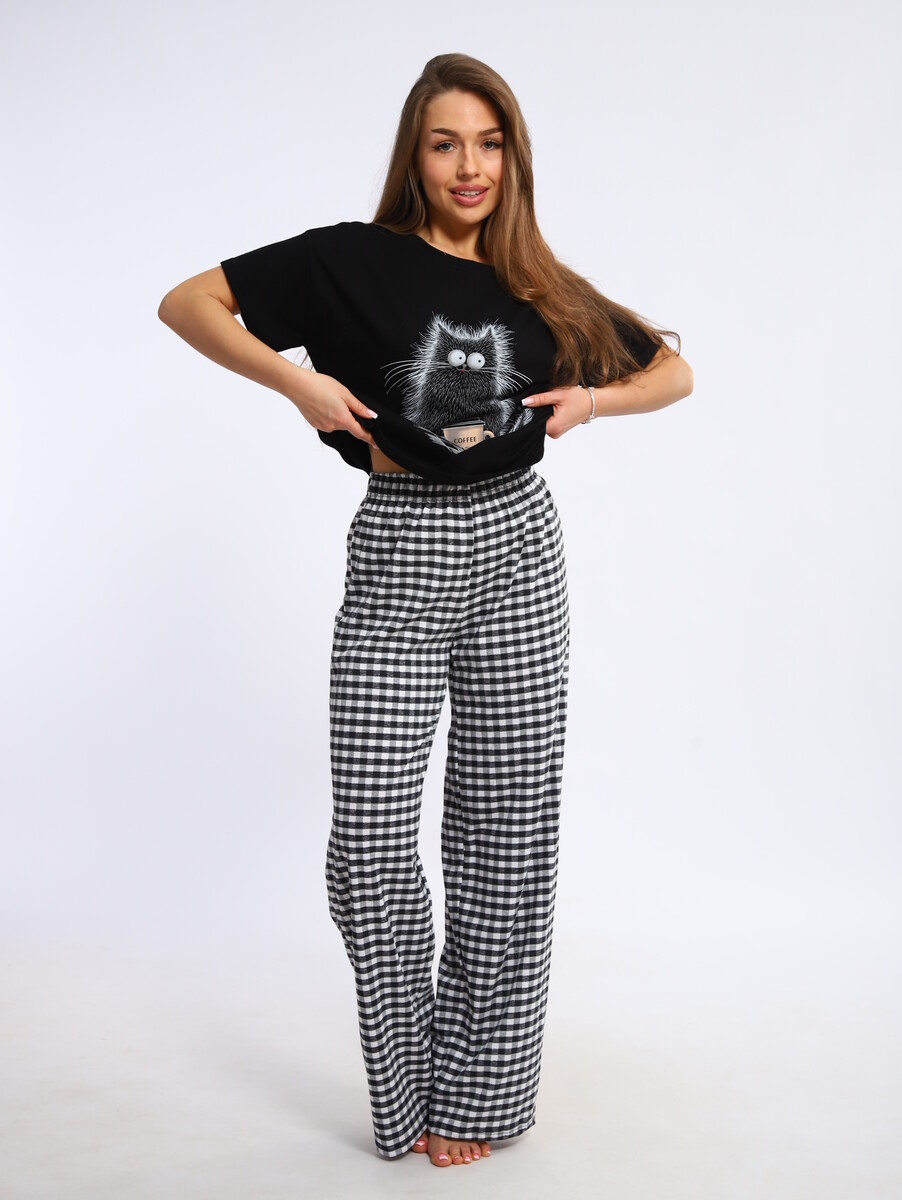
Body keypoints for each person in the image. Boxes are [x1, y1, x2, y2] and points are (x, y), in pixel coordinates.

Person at [158, 52, 693, 1169]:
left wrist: (590, 403)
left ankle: (479, 1094)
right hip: (401, 544)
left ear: (513, 158)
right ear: (415, 152)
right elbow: (187, 302)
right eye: (447, 143)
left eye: (490, 144)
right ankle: (405, 1087)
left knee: (506, 828)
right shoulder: (346, 260)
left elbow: (673, 371)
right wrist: (297, 382)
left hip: (518, 547)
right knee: (368, 840)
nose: (469, 166)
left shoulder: (538, 283)